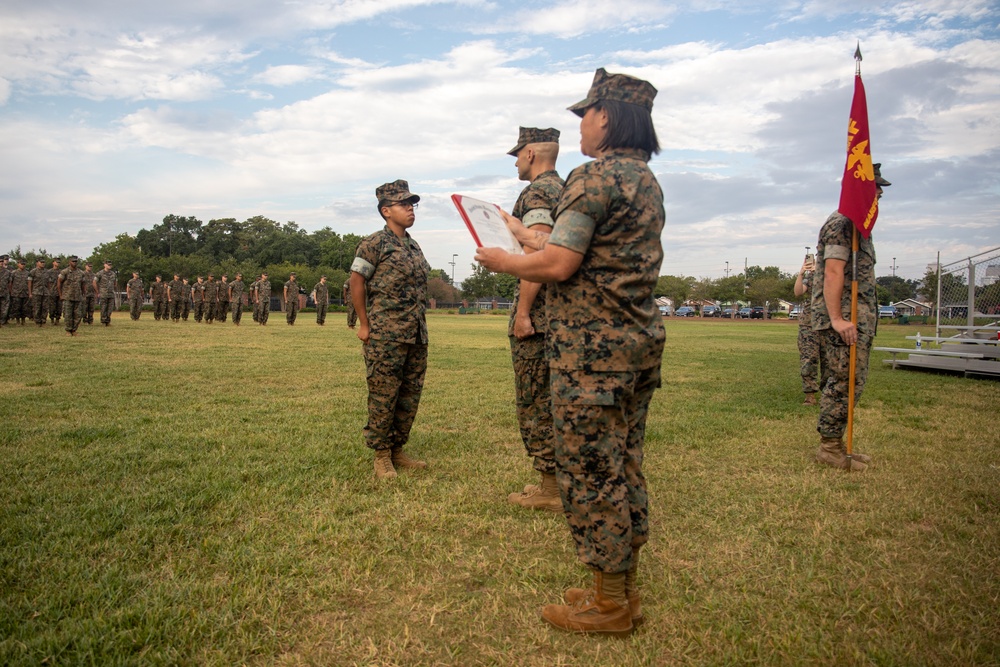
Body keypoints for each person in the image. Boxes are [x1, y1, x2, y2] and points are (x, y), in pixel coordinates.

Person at [476, 68, 664, 637]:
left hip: (592, 351)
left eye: (586, 113)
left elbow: (559, 265)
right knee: (624, 461)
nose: (580, 124)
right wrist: (524, 232)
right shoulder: (644, 180)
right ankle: (620, 591)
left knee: (591, 471)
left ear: (607, 117)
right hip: (635, 345)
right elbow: (578, 248)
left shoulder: (592, 177)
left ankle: (607, 608)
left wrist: (504, 259)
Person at [811, 164, 890, 472]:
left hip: (857, 317)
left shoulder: (858, 225)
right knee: (842, 382)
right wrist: (837, 319)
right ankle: (829, 448)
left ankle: (839, 444)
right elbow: (833, 271)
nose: (881, 192)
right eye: (876, 187)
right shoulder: (841, 223)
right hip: (843, 319)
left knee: (852, 383)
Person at [502, 126, 565, 512]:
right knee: (552, 397)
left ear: (530, 154)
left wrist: (523, 312)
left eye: (516, 155)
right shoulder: (565, 188)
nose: (515, 163)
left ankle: (552, 488)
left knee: (536, 399)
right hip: (561, 314)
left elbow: (535, 255)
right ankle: (555, 480)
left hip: (540, 315)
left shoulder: (538, 192)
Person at [351, 179, 430, 479]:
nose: (410, 209)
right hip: (385, 333)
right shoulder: (373, 244)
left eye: (412, 204)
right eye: (403, 204)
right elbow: (356, 282)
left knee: (409, 395)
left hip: (416, 333)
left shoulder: (413, 245)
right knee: (384, 394)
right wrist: (364, 324)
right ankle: (381, 455)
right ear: (386, 210)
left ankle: (398, 449)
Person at [794, 254, 819, 405]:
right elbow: (798, 292)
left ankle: (832, 394)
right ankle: (810, 395)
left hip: (830, 323)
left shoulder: (834, 274)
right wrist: (801, 273)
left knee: (832, 361)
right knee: (808, 359)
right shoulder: (809, 277)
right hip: (809, 324)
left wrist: (819, 273)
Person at [57, 255, 87, 336]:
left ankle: (74, 330)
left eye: (76, 261)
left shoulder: (81, 273)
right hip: (67, 296)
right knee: (68, 314)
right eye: (73, 261)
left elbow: (83, 284)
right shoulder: (64, 272)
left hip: (78, 297)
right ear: (69, 262)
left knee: (78, 315)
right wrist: (60, 295)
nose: (74, 263)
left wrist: (84, 294)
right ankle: (68, 330)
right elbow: (59, 283)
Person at [94, 260, 117, 326]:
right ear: (104, 265)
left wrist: (114, 288)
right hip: (103, 293)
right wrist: (97, 291)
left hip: (111, 293)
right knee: (103, 308)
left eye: (110, 265)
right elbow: (94, 282)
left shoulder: (113, 273)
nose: (109, 266)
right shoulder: (100, 273)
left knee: (110, 308)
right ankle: (103, 321)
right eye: (108, 264)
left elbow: (115, 282)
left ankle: (108, 321)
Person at [9, 258, 30, 325]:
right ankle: (17, 320)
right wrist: (11, 291)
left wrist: (29, 292)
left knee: (25, 308)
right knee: (17, 307)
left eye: (24, 264)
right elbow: (10, 283)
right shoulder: (13, 273)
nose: (23, 265)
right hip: (16, 293)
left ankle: (23, 320)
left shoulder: (27, 273)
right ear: (18, 264)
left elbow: (29, 283)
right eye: (21, 264)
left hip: (25, 292)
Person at [28, 258, 48, 326]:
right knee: (37, 307)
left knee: (44, 307)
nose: (43, 263)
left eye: (44, 262)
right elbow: (30, 282)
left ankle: (43, 320)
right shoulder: (33, 271)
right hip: (36, 292)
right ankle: (37, 321)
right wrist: (30, 293)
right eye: (41, 262)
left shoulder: (46, 272)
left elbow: (48, 282)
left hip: (45, 292)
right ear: (37, 263)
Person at [45, 258, 61, 324]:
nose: (58, 263)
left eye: (59, 262)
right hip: (51, 292)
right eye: (56, 262)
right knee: (52, 307)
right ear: (53, 263)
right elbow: (46, 282)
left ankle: (57, 319)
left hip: (59, 292)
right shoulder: (49, 272)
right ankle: (52, 319)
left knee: (59, 307)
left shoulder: (61, 272)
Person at [0, 255, 10, 326]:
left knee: (5, 308)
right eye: (0, 261)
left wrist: (10, 291)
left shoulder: (7, 272)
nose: (1, 263)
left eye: (2, 261)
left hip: (5, 292)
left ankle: (2, 322)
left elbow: (10, 282)